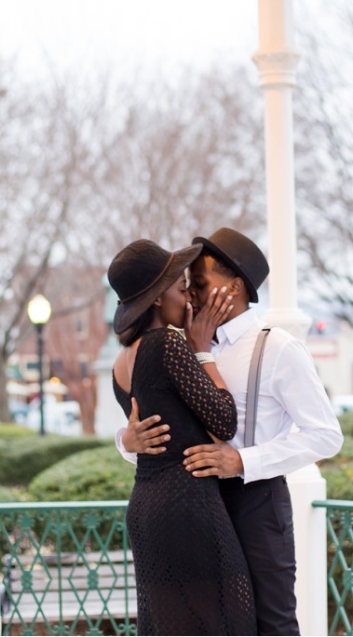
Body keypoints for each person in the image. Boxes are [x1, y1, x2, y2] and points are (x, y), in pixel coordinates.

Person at [117, 227, 344, 636]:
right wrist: (126, 442)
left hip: (256, 503)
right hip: (201, 509)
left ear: (235, 286)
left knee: (272, 624)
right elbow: (165, 435)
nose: (192, 293)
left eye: (200, 283)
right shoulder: (188, 345)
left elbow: (326, 434)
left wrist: (242, 460)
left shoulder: (277, 348)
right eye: (189, 286)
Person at [107, 238, 257, 636]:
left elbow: (152, 429)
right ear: (157, 299)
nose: (187, 299)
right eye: (178, 289)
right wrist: (203, 350)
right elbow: (224, 423)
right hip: (187, 505)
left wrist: (125, 439)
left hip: (146, 508)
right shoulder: (169, 343)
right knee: (228, 617)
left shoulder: (121, 361)